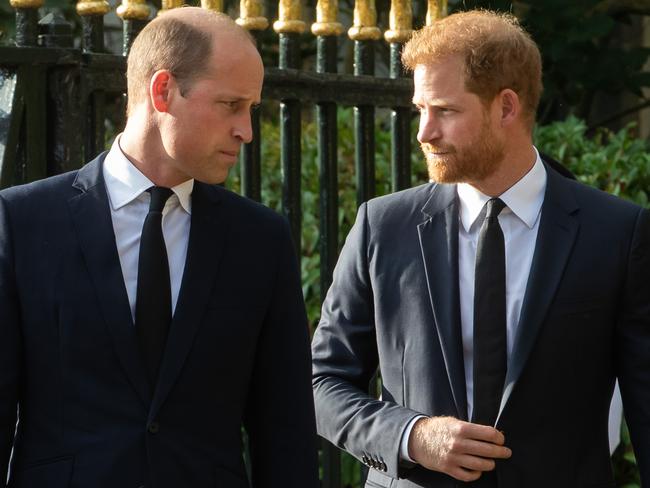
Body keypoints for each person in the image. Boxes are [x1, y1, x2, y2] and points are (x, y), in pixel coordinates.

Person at [312, 10, 650, 488]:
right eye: (420, 109)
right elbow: (320, 382)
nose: (424, 133)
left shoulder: (617, 233)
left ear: (506, 108)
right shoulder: (382, 226)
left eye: (445, 111)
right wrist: (412, 435)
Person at [0, 7, 319, 488]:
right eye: (231, 105)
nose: (246, 131)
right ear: (163, 91)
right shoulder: (22, 222)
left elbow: (286, 431)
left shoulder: (260, 240)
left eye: (251, 110)